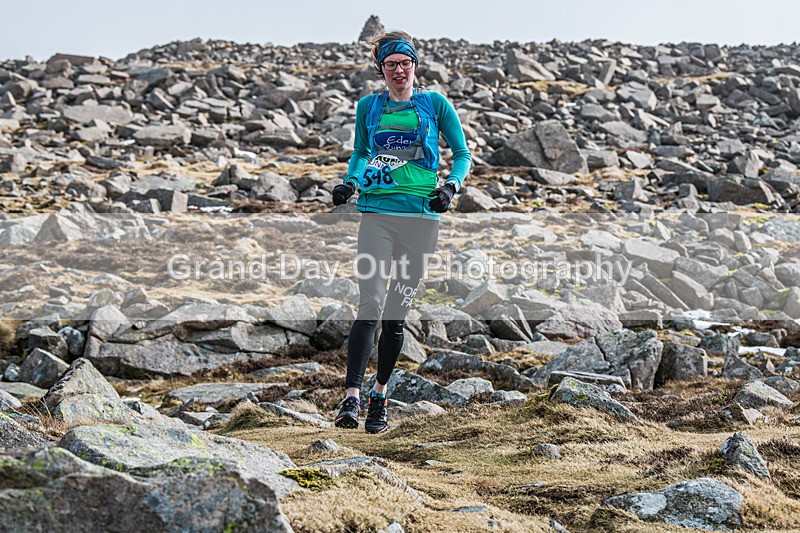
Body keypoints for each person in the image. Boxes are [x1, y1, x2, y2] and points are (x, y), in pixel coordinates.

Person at [330, 30, 472, 433]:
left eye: (405, 63)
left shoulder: (435, 104)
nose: (398, 70)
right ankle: (351, 398)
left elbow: (462, 155)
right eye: (391, 64)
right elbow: (360, 151)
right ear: (381, 70)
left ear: (415, 66)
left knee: (395, 317)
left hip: (422, 221)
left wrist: (450, 187)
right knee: (370, 305)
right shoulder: (369, 107)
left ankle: (380, 394)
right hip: (377, 215)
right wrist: (350, 182)